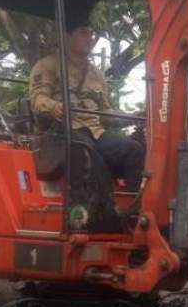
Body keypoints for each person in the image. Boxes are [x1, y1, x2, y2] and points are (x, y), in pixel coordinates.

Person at [29, 17, 144, 191]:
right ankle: (84, 208)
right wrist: (53, 106)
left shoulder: (97, 74)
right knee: (86, 150)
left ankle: (134, 208)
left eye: (92, 33)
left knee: (133, 150)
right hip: (62, 133)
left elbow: (105, 113)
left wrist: (133, 117)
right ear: (66, 37)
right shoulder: (48, 65)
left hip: (96, 133)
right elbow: (38, 99)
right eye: (83, 32)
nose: (90, 38)